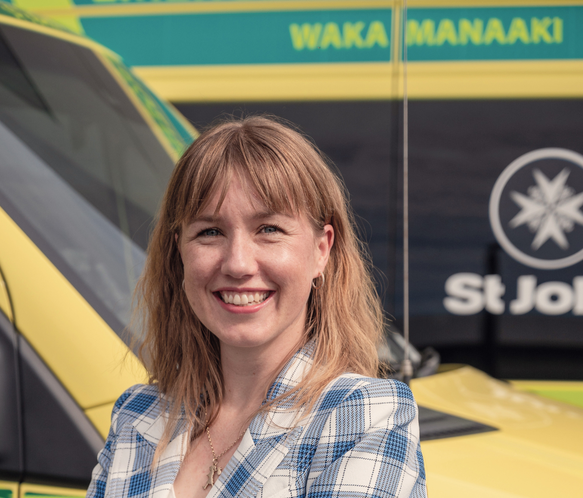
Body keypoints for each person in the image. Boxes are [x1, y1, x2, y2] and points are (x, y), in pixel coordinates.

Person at [87, 116, 427, 498]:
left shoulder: (364, 415)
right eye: (210, 232)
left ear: (321, 250)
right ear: (179, 251)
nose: (238, 263)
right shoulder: (137, 415)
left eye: (269, 230)